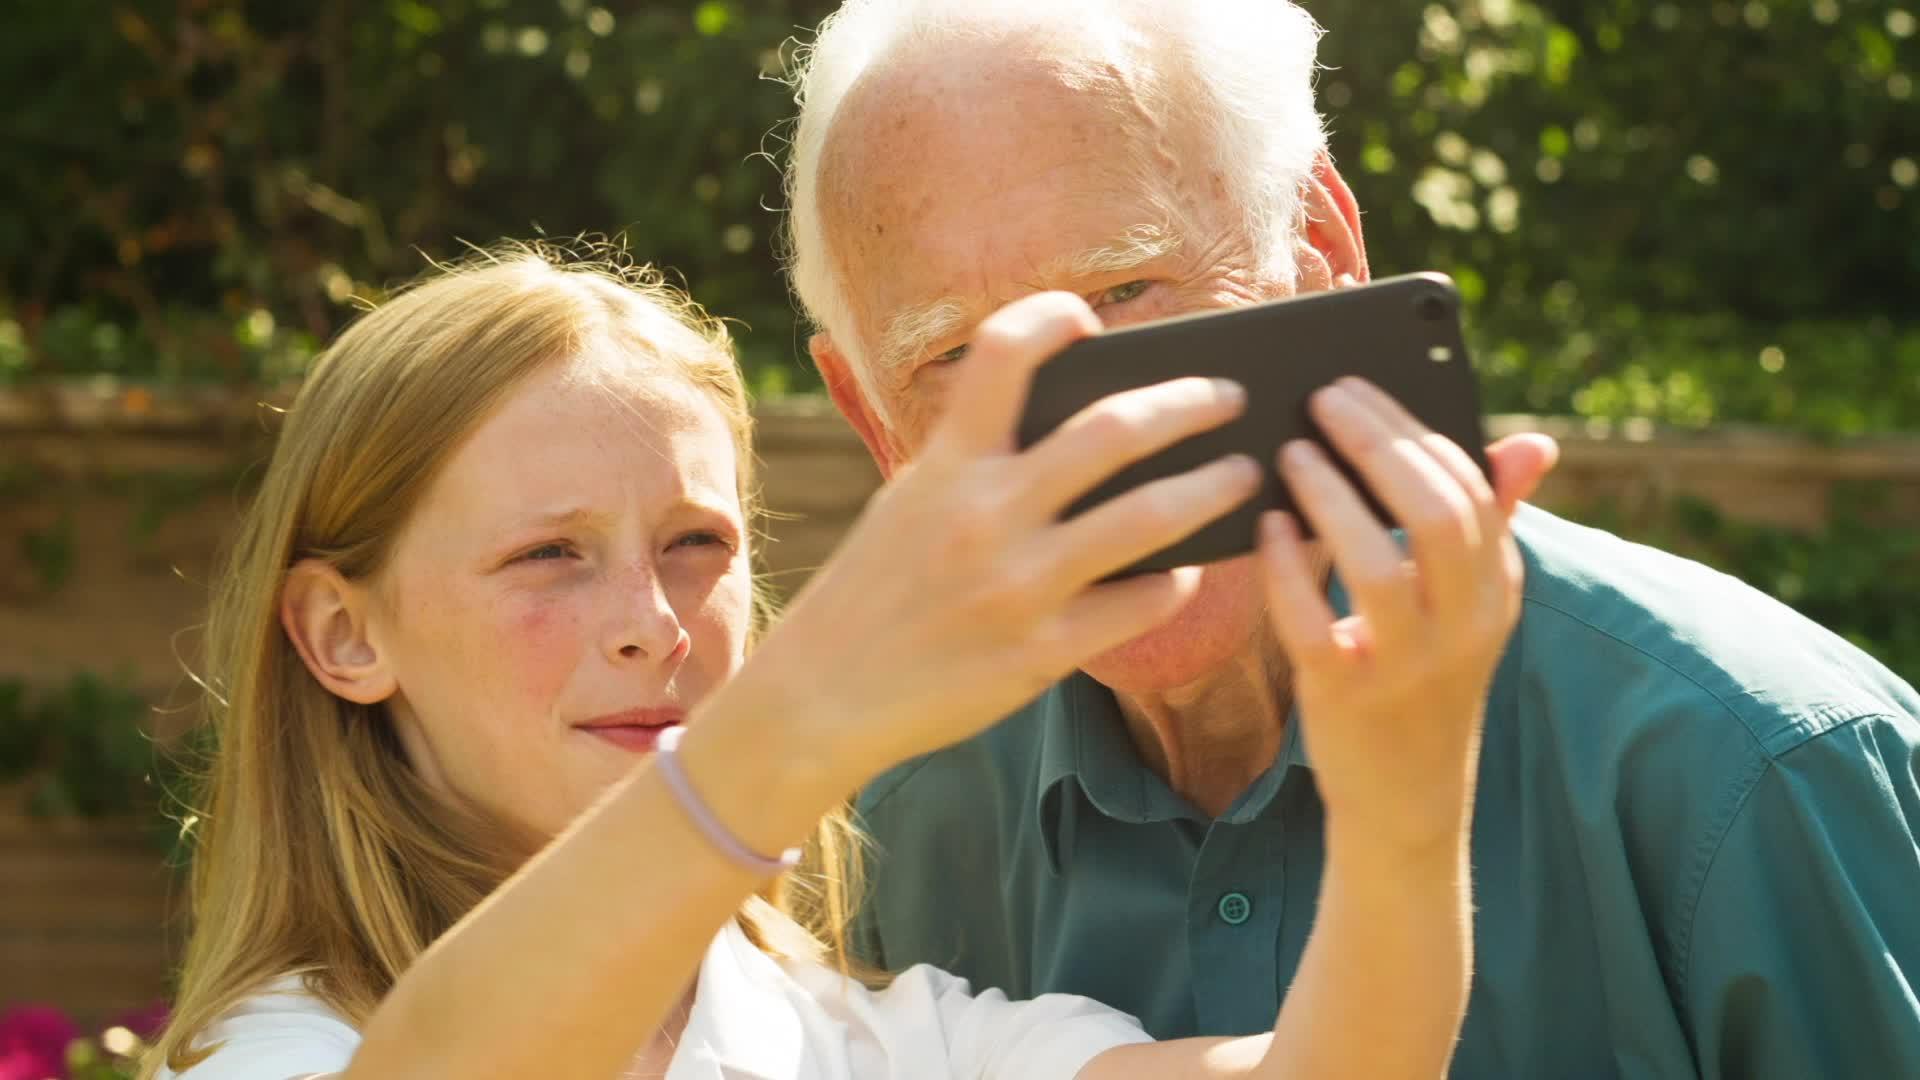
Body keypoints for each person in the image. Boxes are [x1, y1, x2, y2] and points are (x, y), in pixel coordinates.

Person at [779, 0, 1920, 1075]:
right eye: (953, 357)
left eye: (1128, 290)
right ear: (874, 420)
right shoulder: (892, 839)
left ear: (1318, 246)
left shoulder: (1756, 771)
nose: (1091, 433)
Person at [141, 245, 1516, 1080]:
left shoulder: (868, 1039)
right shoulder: (280, 1052)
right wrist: (798, 730)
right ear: (343, 633)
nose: (655, 622)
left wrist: (1405, 807)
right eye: (549, 557)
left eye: (695, 542)